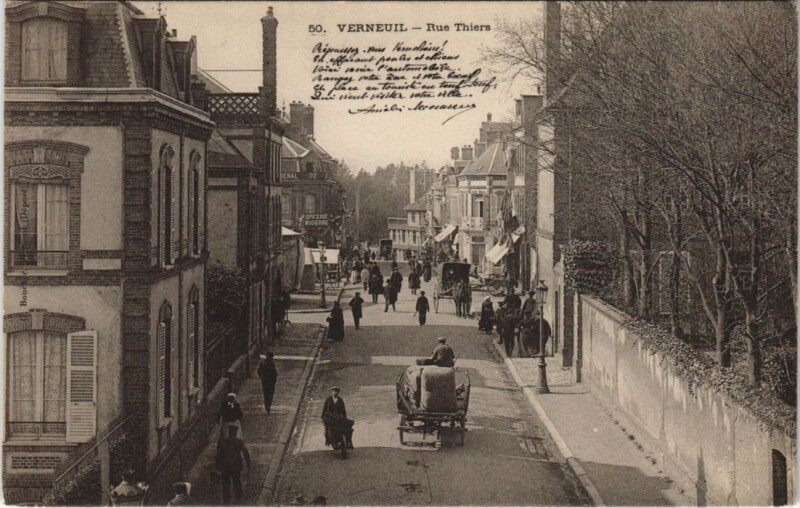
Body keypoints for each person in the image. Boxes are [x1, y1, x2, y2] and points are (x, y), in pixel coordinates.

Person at [215, 425, 251, 506]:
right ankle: (238, 498)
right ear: (235, 433)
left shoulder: (224, 442)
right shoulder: (239, 441)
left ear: (229, 433)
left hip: (226, 467)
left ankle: (226, 500)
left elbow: (219, 455)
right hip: (236, 466)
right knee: (237, 482)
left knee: (226, 484)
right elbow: (245, 452)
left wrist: (217, 467)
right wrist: (248, 463)